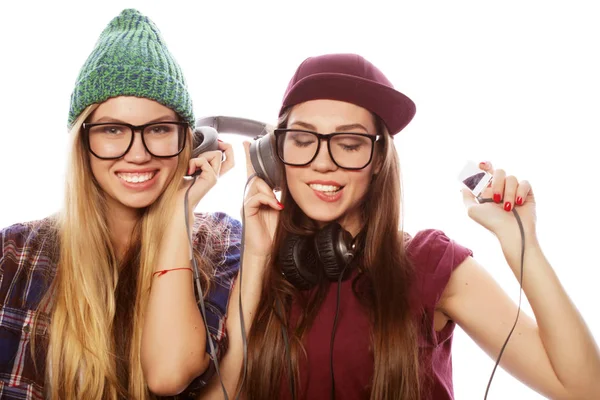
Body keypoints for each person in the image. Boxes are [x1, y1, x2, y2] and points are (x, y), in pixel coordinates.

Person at [205, 53, 600, 399]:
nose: (323, 162)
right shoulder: (250, 263)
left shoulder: (429, 263)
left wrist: (521, 243)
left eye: (349, 144)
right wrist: (257, 260)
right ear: (274, 154)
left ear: (378, 159)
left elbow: (584, 389)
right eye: (304, 139)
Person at [0, 9, 240, 400]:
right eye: (113, 130)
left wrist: (180, 212)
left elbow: (171, 371)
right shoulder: (14, 255)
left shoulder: (224, 248)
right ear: (82, 142)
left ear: (192, 142)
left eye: (159, 129)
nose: (139, 154)